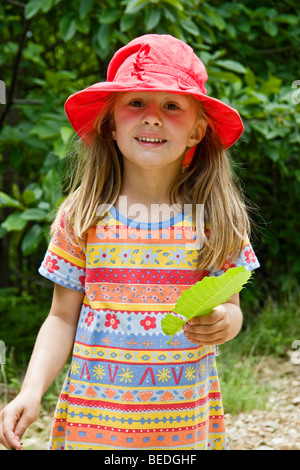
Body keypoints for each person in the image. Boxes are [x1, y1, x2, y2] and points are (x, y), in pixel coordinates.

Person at [0, 34, 260, 451]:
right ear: (111, 125)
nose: (152, 117)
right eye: (136, 102)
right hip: (94, 424)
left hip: (182, 429)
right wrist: (30, 391)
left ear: (196, 131)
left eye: (171, 105)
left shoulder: (216, 219)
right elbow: (62, 319)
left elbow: (232, 310)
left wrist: (224, 324)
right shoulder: (83, 214)